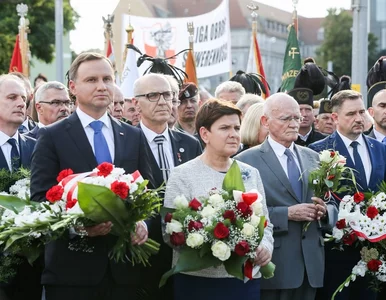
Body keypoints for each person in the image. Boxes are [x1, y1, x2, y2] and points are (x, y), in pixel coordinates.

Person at [30, 52, 154, 300]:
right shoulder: (52, 137)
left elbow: (149, 190)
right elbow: (41, 199)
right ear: (73, 88)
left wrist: (143, 223)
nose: (101, 86)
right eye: (92, 80)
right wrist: (79, 228)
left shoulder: (132, 136)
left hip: (125, 274)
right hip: (72, 275)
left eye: (107, 79)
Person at [164, 99, 273, 300]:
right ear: (205, 134)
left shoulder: (251, 173)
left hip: (244, 280)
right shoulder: (182, 175)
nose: (233, 134)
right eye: (224, 128)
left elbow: (265, 223)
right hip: (199, 282)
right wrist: (211, 243)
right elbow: (170, 232)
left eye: (236, 127)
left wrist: (265, 247)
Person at [235, 93, 337, 300]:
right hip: (274, 264)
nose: (293, 124)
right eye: (285, 118)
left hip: (311, 267)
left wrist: (325, 211)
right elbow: (240, 214)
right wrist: (286, 214)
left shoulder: (313, 157)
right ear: (265, 121)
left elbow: (331, 202)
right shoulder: (245, 161)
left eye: (297, 118)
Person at [309, 90, 386, 300]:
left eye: (362, 112)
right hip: (337, 253)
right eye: (351, 114)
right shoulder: (317, 151)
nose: (359, 119)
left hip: (375, 253)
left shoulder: (380, 149)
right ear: (335, 117)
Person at [133, 73, 202, 299]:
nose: (162, 102)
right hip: (143, 249)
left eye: (168, 95)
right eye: (152, 95)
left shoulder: (190, 144)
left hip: (185, 251)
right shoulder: (127, 142)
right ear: (136, 103)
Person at [0, 74, 38, 300]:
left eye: (24, 98)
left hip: (31, 264)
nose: (21, 103)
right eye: (12, 97)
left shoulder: (37, 147)